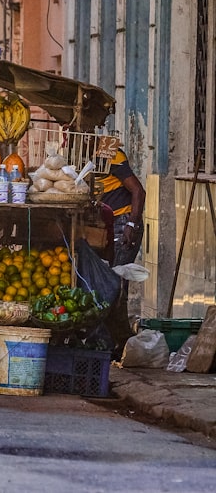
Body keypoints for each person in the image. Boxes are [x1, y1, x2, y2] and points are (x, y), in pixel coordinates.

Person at [100, 145, 146, 356]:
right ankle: (116, 339)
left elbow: (138, 191)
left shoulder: (111, 154)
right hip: (106, 225)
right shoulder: (77, 157)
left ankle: (120, 342)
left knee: (116, 284)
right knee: (108, 281)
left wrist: (131, 225)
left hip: (123, 223)